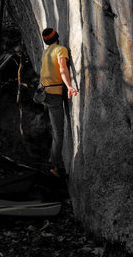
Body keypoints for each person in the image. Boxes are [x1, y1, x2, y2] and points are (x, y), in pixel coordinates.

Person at [40, 27, 78, 177]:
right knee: (58, 133)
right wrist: (69, 86)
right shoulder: (60, 49)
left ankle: (54, 163)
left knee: (56, 130)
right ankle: (54, 166)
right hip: (54, 95)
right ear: (57, 36)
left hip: (46, 94)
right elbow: (62, 68)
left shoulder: (46, 52)